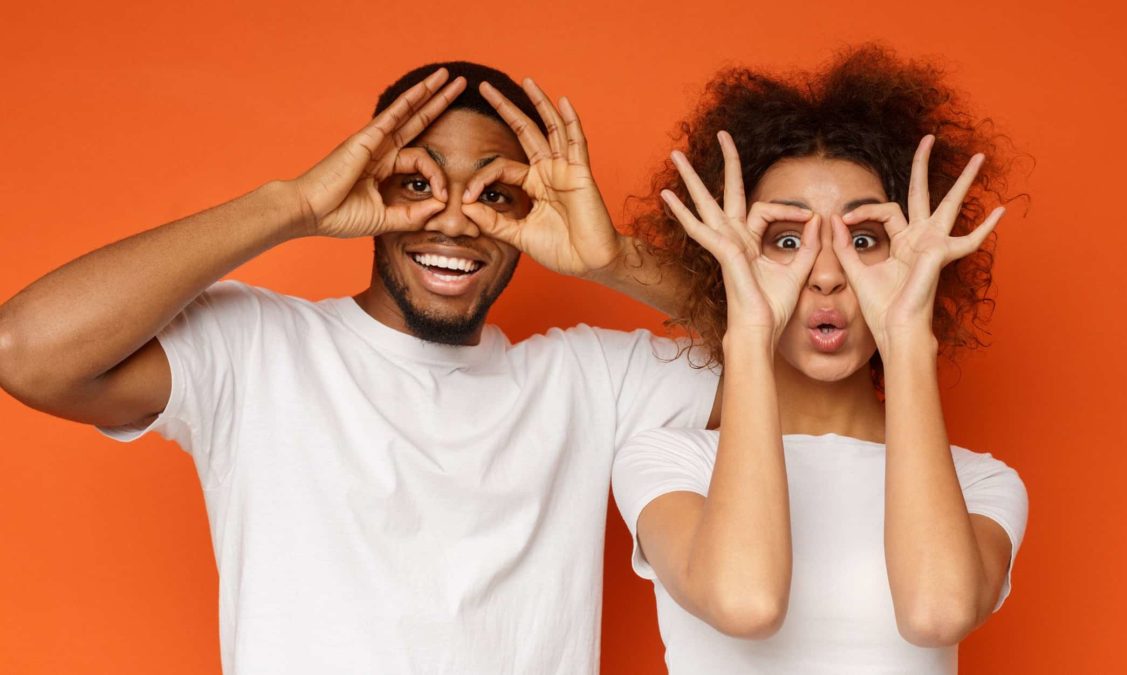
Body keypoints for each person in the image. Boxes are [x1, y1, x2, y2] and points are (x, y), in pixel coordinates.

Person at [0, 62, 718, 674]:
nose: (455, 220)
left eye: (495, 194)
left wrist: (614, 259)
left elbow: (789, 351)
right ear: (371, 185)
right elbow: (24, 349)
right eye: (418, 183)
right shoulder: (258, 349)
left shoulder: (592, 381)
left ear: (534, 214)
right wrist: (291, 206)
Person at [612, 45, 1028, 673]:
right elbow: (745, 602)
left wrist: (907, 334)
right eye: (786, 240)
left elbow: (935, 613)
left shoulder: (978, 483)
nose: (827, 274)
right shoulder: (671, 461)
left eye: (863, 241)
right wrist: (747, 327)